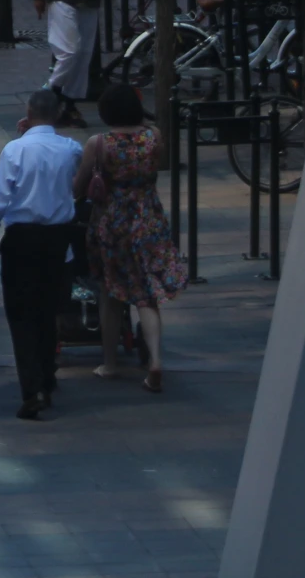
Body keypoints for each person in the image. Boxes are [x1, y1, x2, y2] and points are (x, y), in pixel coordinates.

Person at [0, 88, 84, 420]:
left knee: (21, 314)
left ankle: (32, 386)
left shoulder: (15, 150)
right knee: (47, 310)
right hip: (56, 238)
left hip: (22, 238)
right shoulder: (71, 149)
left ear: (28, 112)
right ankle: (47, 375)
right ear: (56, 114)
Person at [76, 83, 185, 393]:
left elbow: (79, 187)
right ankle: (155, 361)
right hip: (149, 218)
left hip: (112, 223)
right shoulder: (154, 137)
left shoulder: (99, 144)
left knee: (110, 294)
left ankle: (109, 363)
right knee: (147, 295)